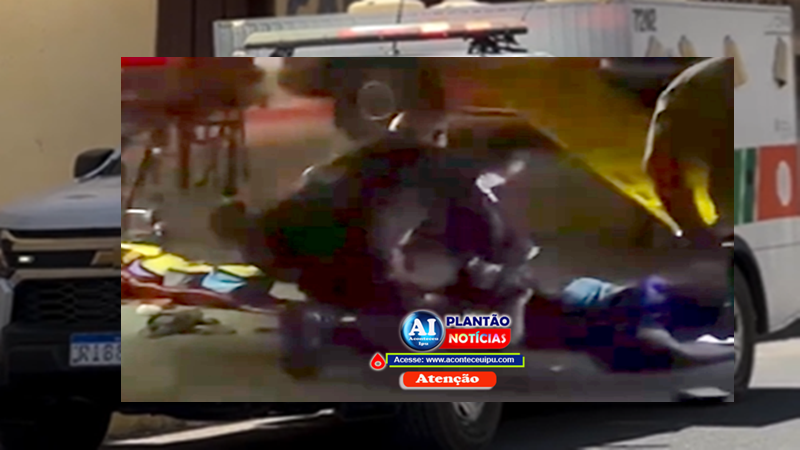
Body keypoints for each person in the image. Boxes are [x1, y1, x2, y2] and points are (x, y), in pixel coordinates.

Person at [643, 57, 733, 245]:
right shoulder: (701, 84)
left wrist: (696, 234)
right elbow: (663, 168)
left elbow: (663, 170)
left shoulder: (698, 84)